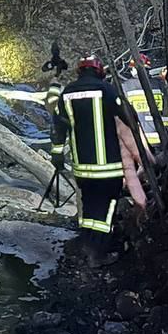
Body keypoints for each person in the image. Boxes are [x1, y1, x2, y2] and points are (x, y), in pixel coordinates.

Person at [50, 55, 130, 266]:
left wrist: (57, 154)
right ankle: (98, 255)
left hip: (82, 169)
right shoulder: (107, 90)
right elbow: (128, 117)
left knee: (90, 208)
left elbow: (58, 126)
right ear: (100, 71)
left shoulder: (67, 93)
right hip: (108, 168)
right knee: (107, 209)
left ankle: (86, 248)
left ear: (79, 71)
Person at [121, 52, 168, 150]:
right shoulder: (160, 85)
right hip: (162, 137)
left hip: (140, 140)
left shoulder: (125, 86)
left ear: (134, 69)